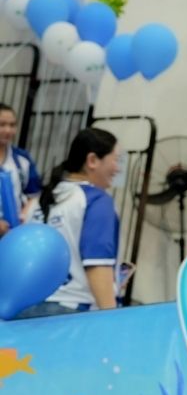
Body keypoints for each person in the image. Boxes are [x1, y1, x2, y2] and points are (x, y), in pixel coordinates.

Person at [17, 128, 121, 317]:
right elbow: (97, 264)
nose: (118, 168)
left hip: (24, 310)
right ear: (92, 160)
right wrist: (112, 319)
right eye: (115, 160)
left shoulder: (38, 201)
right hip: (71, 312)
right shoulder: (96, 200)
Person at [0, 102, 40, 235]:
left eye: (12, 125)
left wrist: (24, 215)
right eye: (2, 124)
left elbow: (33, 195)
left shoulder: (22, 159)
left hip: (13, 233)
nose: (8, 130)